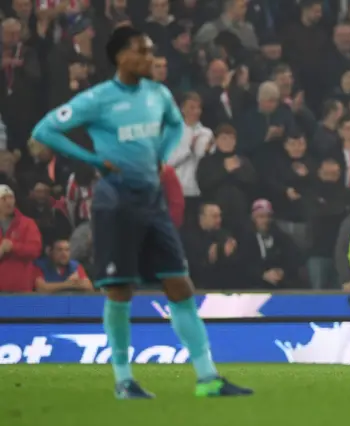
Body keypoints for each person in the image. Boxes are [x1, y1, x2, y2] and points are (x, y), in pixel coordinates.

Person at [31, 26, 251, 399]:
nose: (151, 59)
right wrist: (93, 159)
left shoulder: (158, 94)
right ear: (120, 57)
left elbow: (175, 125)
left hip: (152, 203)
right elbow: (45, 129)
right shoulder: (98, 99)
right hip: (115, 203)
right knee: (120, 292)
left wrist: (161, 157)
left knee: (180, 285)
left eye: (151, 52)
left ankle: (208, 377)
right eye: (142, 52)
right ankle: (123, 380)